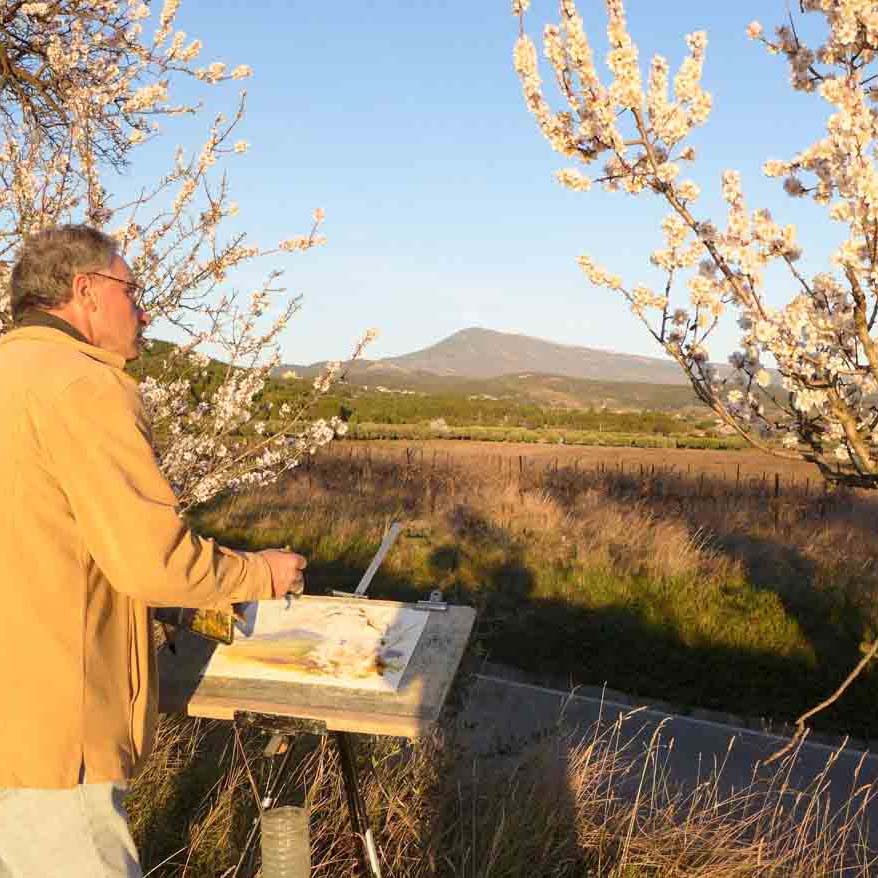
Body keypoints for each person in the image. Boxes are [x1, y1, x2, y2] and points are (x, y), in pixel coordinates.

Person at [0, 225, 307, 877]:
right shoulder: (83, 385)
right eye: (131, 291)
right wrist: (259, 574)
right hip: (52, 729)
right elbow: (150, 563)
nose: (143, 310)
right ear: (85, 291)